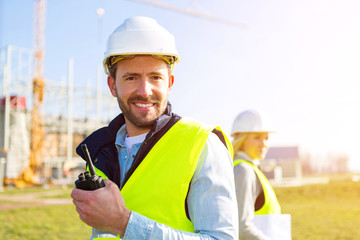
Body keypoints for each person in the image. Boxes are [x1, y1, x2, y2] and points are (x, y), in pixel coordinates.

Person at [71, 16, 238, 240]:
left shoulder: (202, 144)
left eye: (155, 77)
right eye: (131, 78)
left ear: (169, 83)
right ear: (113, 85)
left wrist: (123, 223)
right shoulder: (101, 154)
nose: (145, 91)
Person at [231, 109, 283, 240]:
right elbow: (241, 229)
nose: (264, 144)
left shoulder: (251, 168)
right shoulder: (243, 170)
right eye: (257, 138)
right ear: (241, 140)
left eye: (266, 138)